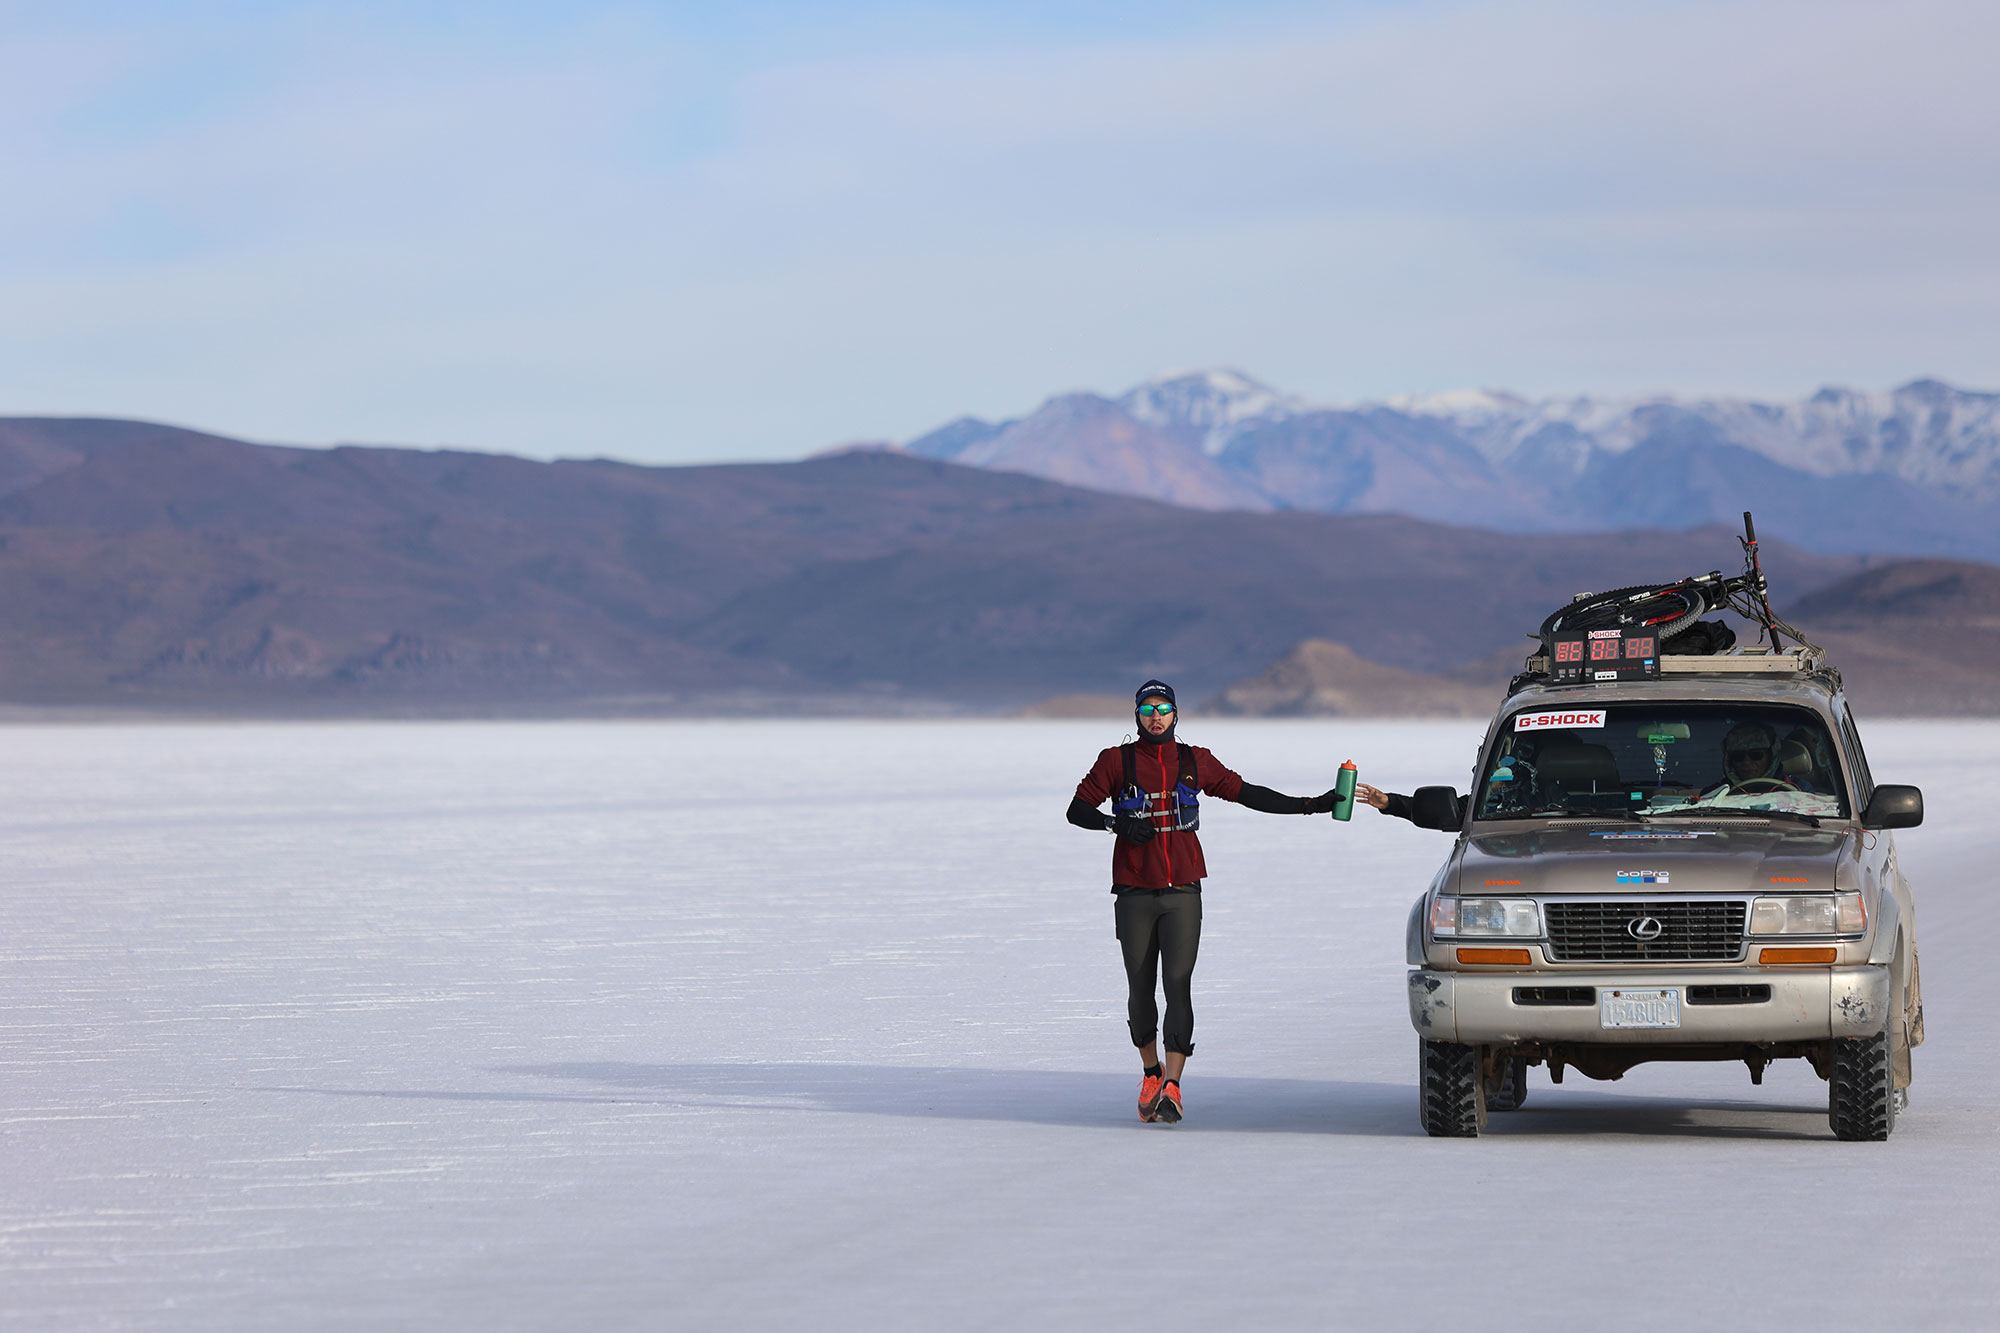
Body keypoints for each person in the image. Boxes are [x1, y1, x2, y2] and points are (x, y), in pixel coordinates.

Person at [1067, 680, 1345, 1124]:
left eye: (1162, 708)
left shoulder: (1196, 760)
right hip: (1135, 893)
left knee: (1178, 983)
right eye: (1146, 708)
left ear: (1176, 714)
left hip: (1182, 893)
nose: (1154, 716)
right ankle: (1150, 1072)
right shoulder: (1115, 761)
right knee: (1140, 988)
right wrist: (1114, 825)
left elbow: (1248, 793)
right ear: (1136, 716)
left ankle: (1173, 1085)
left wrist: (1310, 805)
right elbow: (1076, 809)